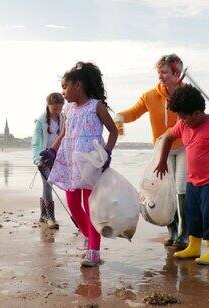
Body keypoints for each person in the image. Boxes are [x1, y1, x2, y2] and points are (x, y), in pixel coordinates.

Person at [40, 61, 118, 267]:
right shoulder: (68, 109)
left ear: (78, 85)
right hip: (71, 161)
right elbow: (64, 134)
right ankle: (87, 236)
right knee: (74, 204)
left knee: (90, 206)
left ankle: (94, 250)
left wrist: (107, 153)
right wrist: (51, 151)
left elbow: (113, 130)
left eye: (65, 86)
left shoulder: (96, 106)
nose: (63, 92)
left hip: (92, 161)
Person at [155, 84, 209, 265]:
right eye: (179, 116)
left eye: (184, 116)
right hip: (193, 181)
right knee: (192, 213)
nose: (181, 120)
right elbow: (168, 137)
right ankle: (193, 246)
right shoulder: (183, 125)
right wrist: (162, 161)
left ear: (197, 113)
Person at [114, 54, 188, 249]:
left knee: (181, 188)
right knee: (166, 190)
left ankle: (184, 233)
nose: (160, 77)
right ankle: (172, 231)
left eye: (164, 72)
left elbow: (196, 114)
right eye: (159, 72)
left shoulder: (187, 93)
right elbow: (134, 112)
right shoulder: (150, 95)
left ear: (177, 73)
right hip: (161, 148)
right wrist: (120, 116)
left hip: (184, 147)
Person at [31, 92, 66, 229]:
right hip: (44, 157)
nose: (58, 112)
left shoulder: (64, 118)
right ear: (48, 106)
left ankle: (43, 215)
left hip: (59, 156)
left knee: (48, 184)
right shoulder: (40, 121)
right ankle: (51, 218)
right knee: (48, 184)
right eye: (54, 109)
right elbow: (35, 142)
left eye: (60, 108)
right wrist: (37, 160)